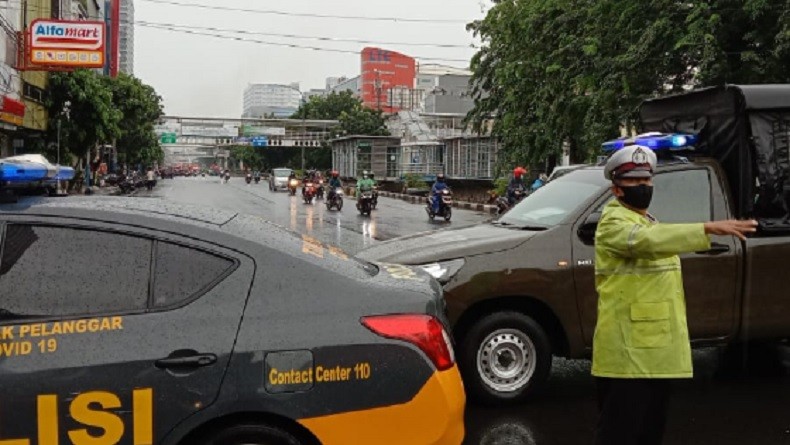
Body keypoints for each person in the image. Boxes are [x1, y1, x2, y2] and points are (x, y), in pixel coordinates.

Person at [592, 145, 757, 445]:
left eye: (647, 180)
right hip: (627, 356)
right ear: (616, 190)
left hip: (654, 352)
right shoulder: (614, 224)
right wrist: (706, 228)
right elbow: (647, 242)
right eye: (634, 182)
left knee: (649, 435)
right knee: (619, 436)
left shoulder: (646, 220)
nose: (644, 187)